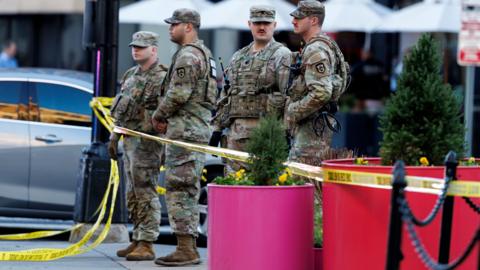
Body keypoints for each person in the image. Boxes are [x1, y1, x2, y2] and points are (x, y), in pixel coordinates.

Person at [151, 8, 216, 266]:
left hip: (186, 130)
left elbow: (178, 94)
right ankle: (185, 246)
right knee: (184, 186)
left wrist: (158, 115)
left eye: (174, 24)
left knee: (180, 188)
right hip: (192, 129)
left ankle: (186, 248)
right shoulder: (202, 53)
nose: (170, 28)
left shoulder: (189, 56)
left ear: (188, 27)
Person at [108, 31, 168, 261]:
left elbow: (166, 113)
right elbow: (122, 109)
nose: (136, 50)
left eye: (141, 47)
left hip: (148, 142)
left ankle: (148, 242)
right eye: (134, 46)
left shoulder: (162, 77)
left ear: (154, 49)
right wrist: (114, 136)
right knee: (132, 192)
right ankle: (137, 236)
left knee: (146, 191)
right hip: (130, 142)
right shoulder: (131, 74)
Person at [211, 5, 291, 173]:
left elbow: (288, 96)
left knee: (263, 187)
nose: (261, 27)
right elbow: (227, 94)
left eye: (266, 23)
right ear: (249, 24)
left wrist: (286, 132)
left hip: (266, 135)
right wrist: (217, 129)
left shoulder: (282, 55)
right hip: (235, 137)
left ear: (274, 25)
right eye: (257, 23)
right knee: (234, 186)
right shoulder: (238, 56)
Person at [285, 0, 348, 166]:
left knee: (302, 180)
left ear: (313, 20)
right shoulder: (324, 45)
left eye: (299, 17)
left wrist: (293, 111)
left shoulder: (316, 49)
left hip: (312, 128)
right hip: (315, 126)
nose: (293, 21)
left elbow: (321, 92)